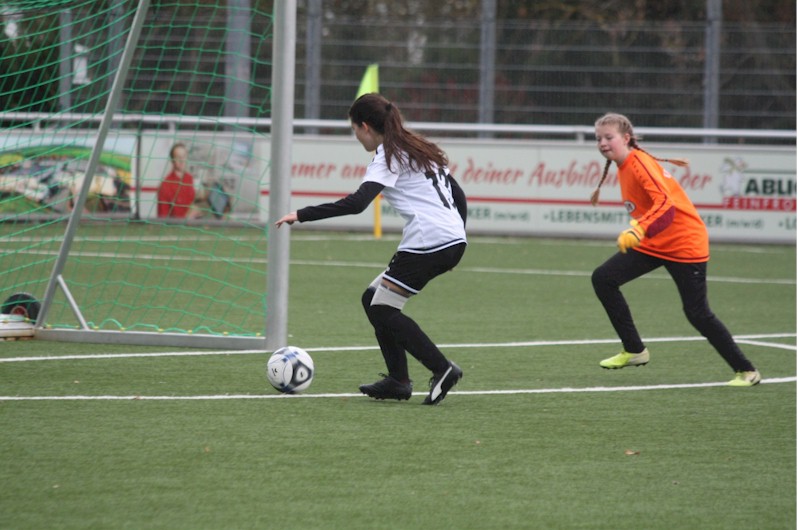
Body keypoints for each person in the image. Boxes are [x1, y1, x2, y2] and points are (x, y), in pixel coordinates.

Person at [275, 93, 468, 404]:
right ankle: (399, 381)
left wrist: (302, 214)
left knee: (383, 308)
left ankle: (442, 368)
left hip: (428, 239)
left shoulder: (388, 155)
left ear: (365, 126)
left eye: (354, 129)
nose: (356, 136)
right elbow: (458, 194)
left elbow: (357, 204)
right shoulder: (419, 148)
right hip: (450, 239)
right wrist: (459, 236)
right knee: (372, 299)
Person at [590, 112, 761, 387]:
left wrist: (638, 228)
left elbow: (666, 208)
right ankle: (635, 351)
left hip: (684, 245)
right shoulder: (624, 165)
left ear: (626, 138)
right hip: (655, 243)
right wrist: (643, 230)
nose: (602, 143)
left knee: (697, 314)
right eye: (598, 138)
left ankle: (747, 371)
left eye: (608, 137)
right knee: (603, 278)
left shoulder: (639, 163)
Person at [157, 143, 197, 218]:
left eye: (184, 156)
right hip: (178, 228)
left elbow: (190, 201)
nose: (182, 160)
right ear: (172, 160)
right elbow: (162, 221)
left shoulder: (189, 178)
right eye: (178, 157)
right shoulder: (165, 186)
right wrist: (187, 218)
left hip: (193, 221)